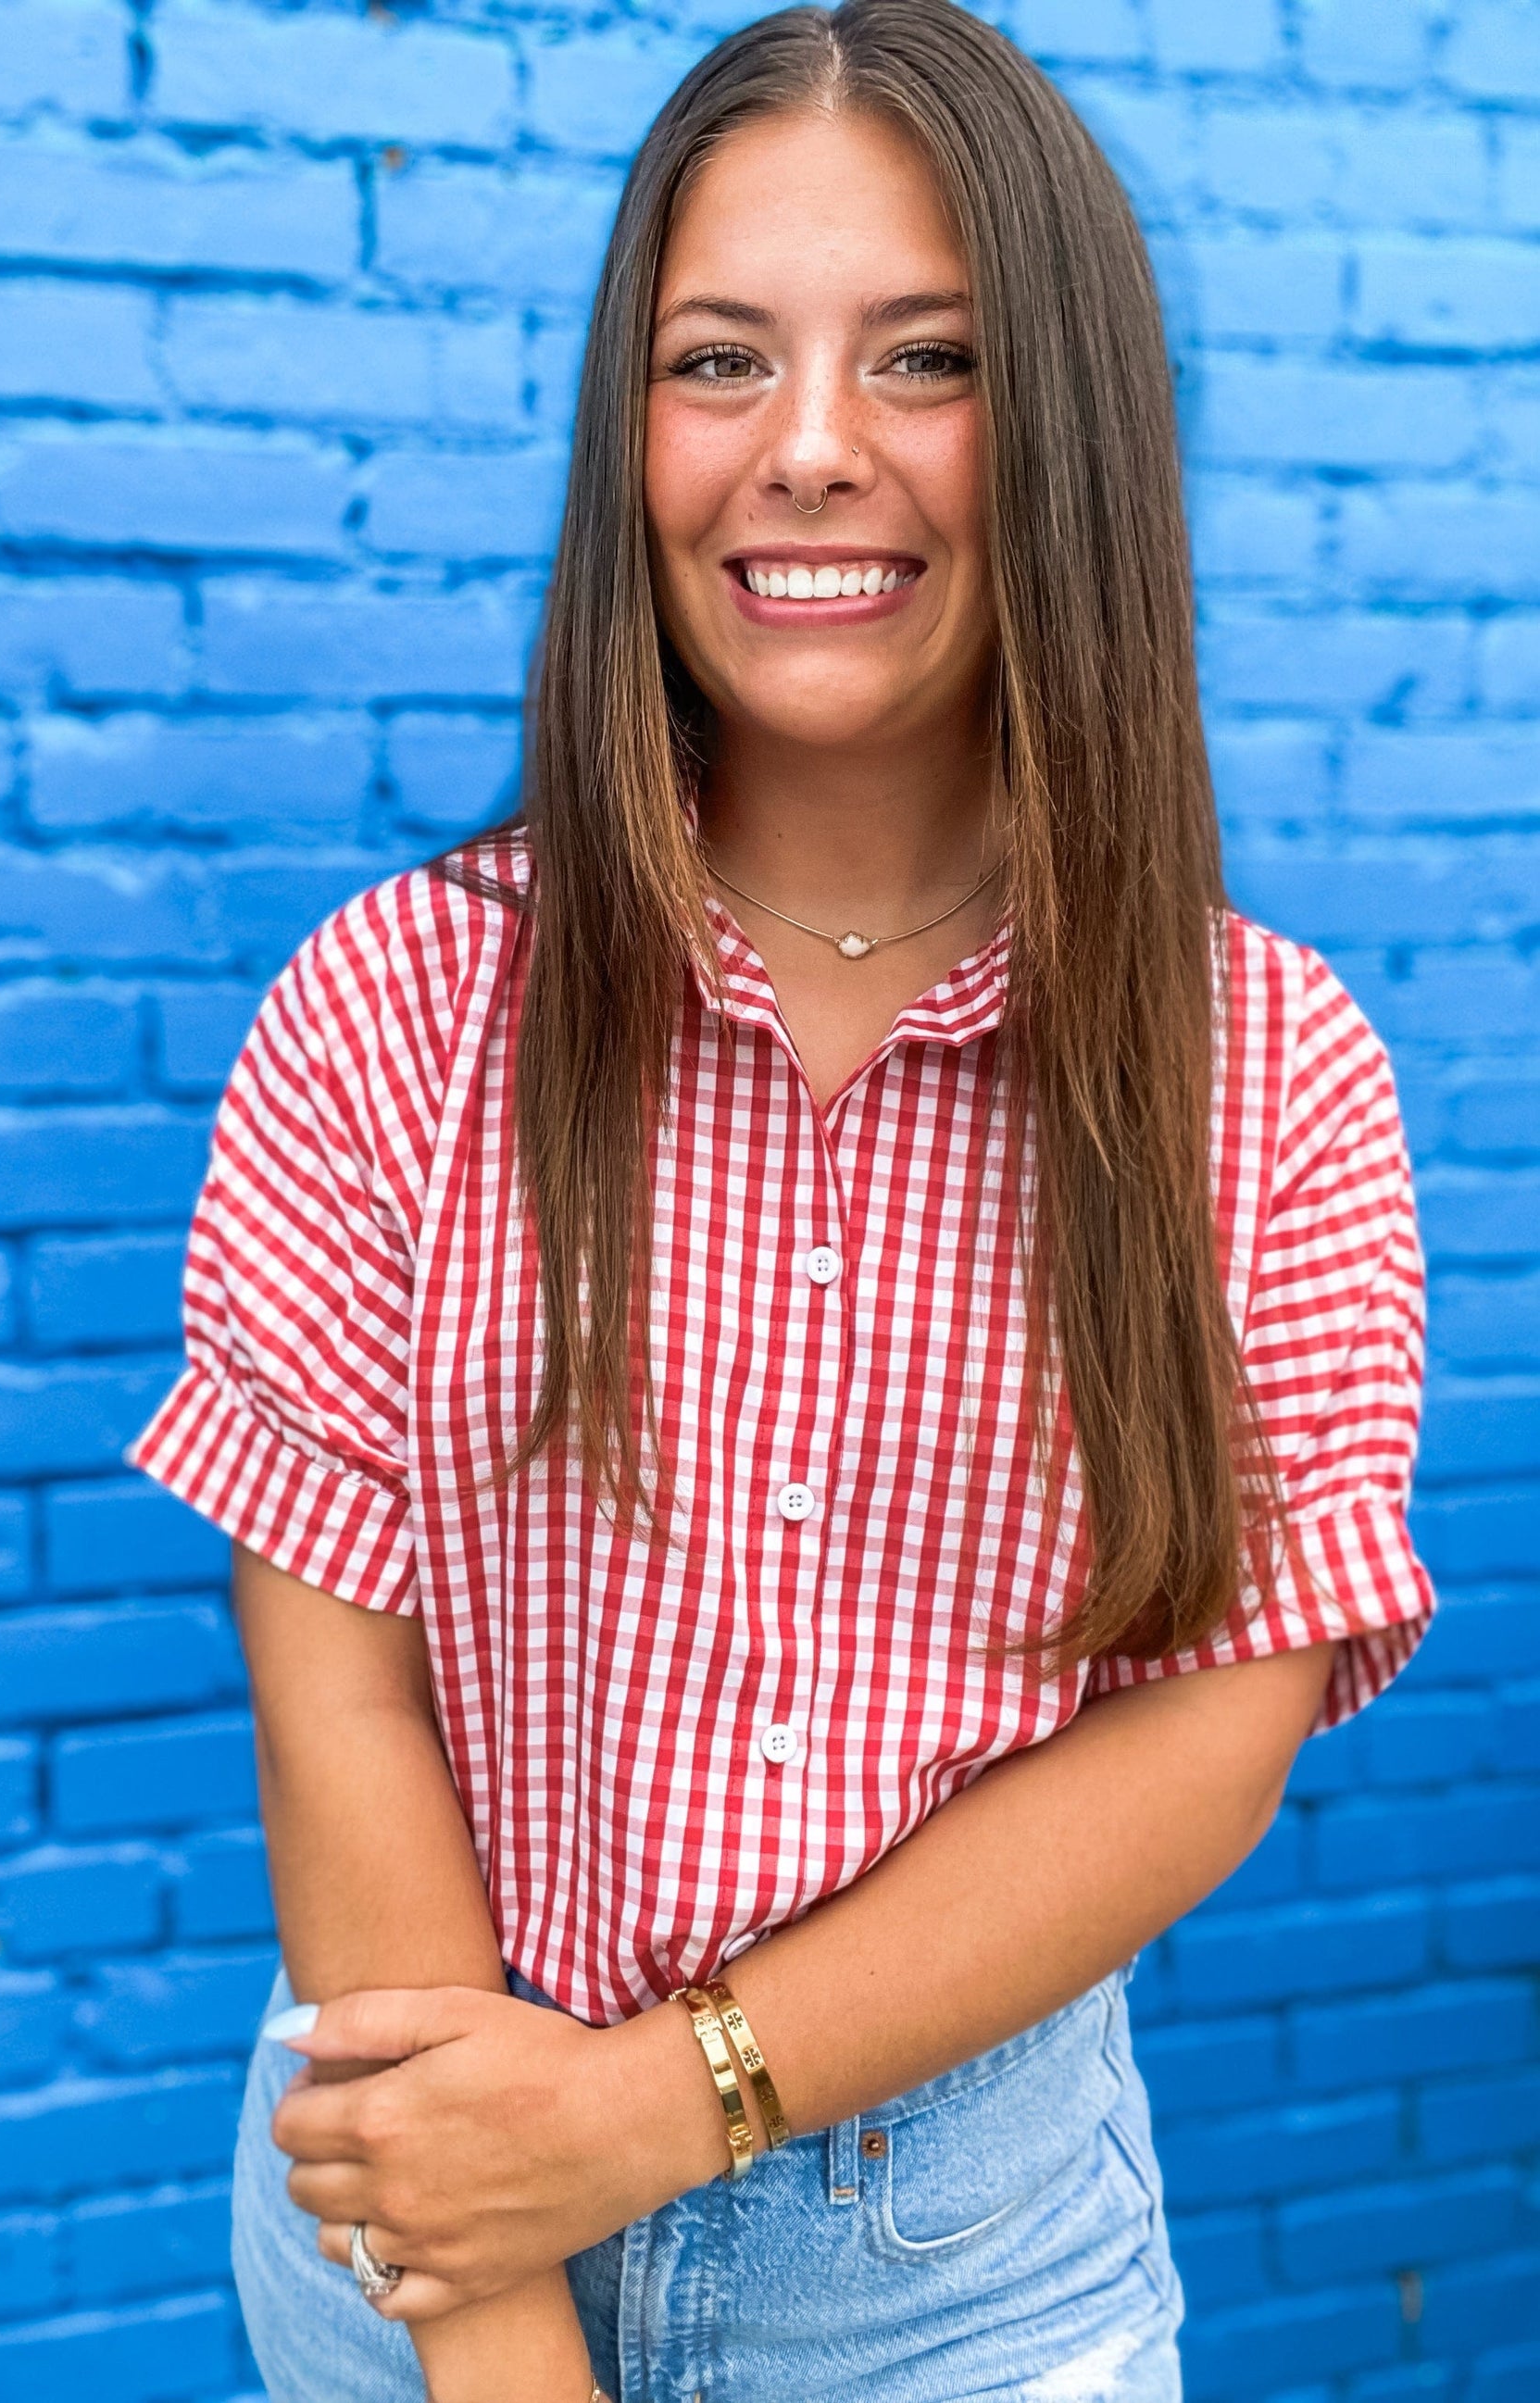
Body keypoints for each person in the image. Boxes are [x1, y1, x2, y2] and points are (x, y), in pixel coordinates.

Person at [132, 5, 1434, 2396]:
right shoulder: (397, 1008)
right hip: (411, 2224)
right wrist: (499, 2317)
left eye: (921, 358)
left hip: (966, 2277)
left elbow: (1209, 1731)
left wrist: (651, 2102)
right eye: (716, 357)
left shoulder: (1267, 1069)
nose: (807, 451)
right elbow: (337, 1682)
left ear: (1061, 430)